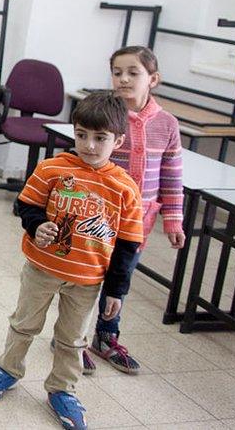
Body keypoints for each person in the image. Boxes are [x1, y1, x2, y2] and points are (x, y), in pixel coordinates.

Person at [0, 92, 144, 430]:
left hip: (87, 280)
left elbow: (128, 244)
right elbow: (27, 205)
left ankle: (62, 389)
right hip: (42, 269)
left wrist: (116, 292)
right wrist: (37, 225)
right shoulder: (52, 168)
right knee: (24, 324)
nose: (90, 145)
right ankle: (7, 369)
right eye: (82, 135)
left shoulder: (125, 187)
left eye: (100, 138)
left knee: (73, 339)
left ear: (119, 141)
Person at [80, 46, 184, 374]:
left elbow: (172, 174)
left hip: (137, 222)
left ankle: (107, 336)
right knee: (87, 279)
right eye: (117, 72)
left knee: (120, 279)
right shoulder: (105, 117)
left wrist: (173, 219)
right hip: (97, 219)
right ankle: (74, 337)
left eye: (133, 72)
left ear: (153, 79)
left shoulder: (167, 124)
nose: (123, 79)